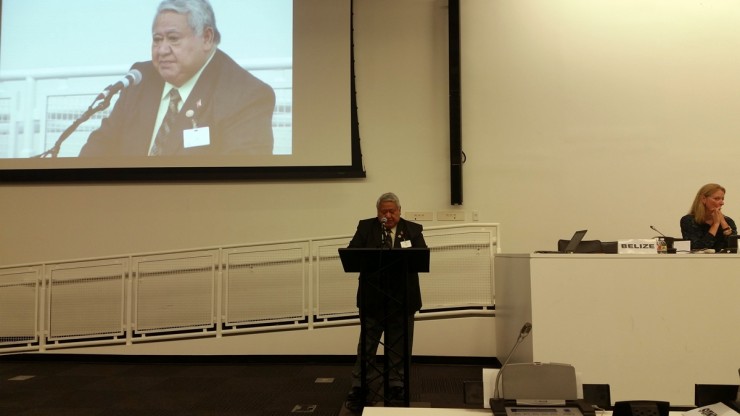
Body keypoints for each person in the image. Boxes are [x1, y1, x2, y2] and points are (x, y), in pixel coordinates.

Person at [79, 0, 275, 156]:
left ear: (206, 38)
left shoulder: (246, 95)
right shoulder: (140, 79)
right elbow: (99, 147)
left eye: (173, 39)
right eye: (157, 40)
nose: (162, 50)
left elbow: (239, 185)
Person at [345, 192, 428, 411]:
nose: (388, 215)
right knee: (367, 345)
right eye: (384, 211)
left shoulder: (413, 229)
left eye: (392, 211)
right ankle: (360, 386)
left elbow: (420, 256)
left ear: (400, 211)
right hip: (373, 299)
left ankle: (396, 385)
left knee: (399, 346)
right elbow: (353, 253)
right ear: (378, 212)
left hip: (403, 299)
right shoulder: (366, 228)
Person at [680, 183, 737, 251]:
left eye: (722, 199)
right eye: (717, 198)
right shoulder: (688, 220)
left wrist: (723, 223)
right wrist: (715, 224)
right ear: (703, 199)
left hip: (724, 261)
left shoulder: (728, 221)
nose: (722, 203)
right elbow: (697, 248)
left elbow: (734, 248)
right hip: (699, 261)